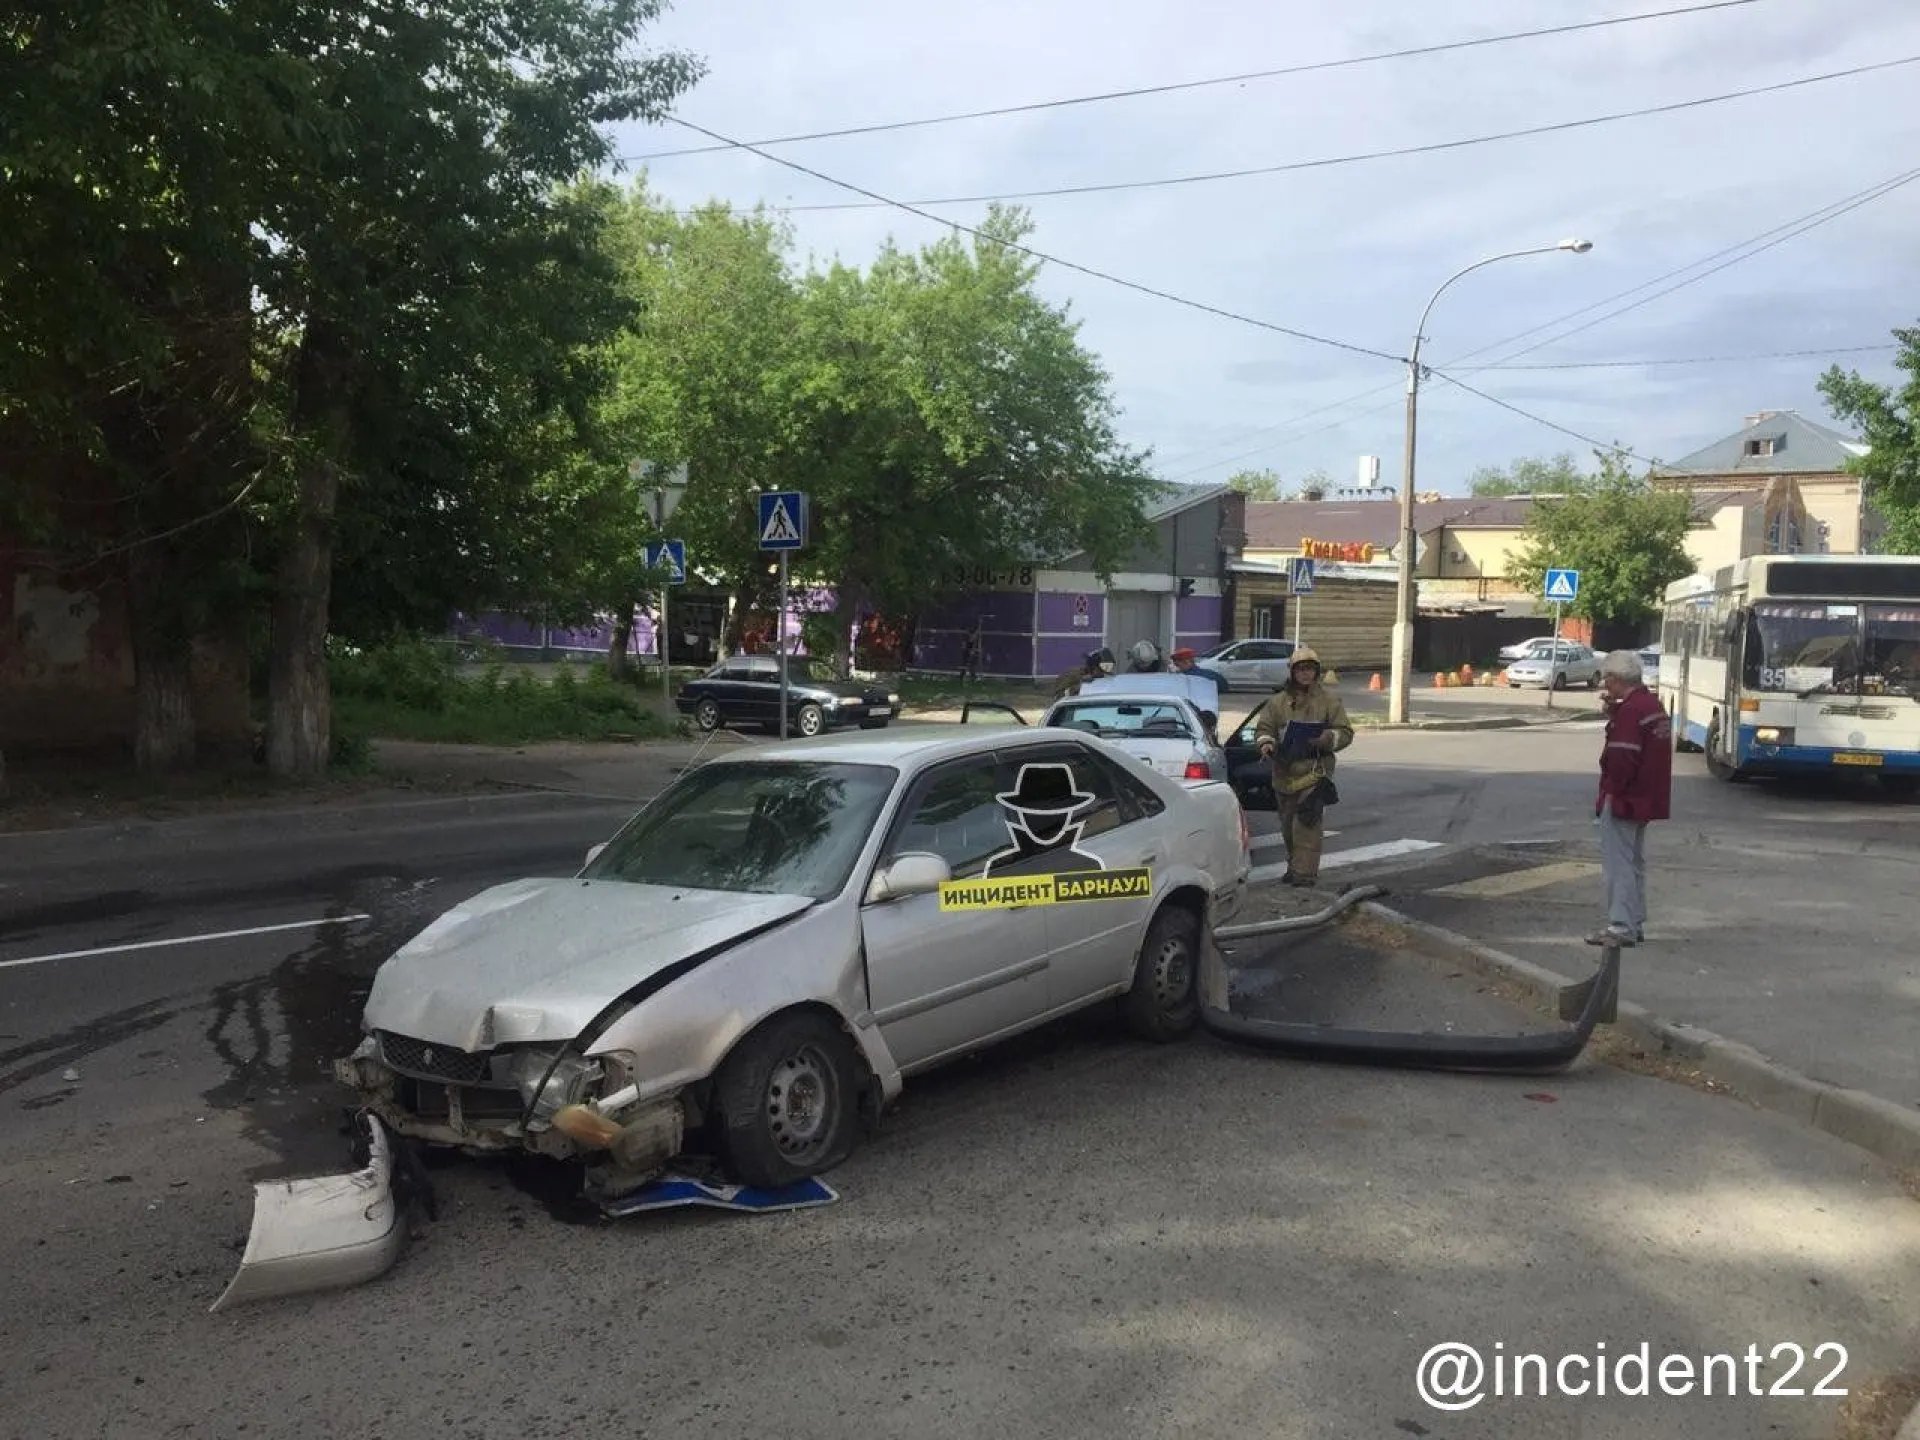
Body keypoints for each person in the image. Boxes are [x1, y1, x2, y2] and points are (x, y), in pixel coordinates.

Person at [1589, 647, 1673, 946]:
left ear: (1614, 678)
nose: (1604, 685)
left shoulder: (1632, 711)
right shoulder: (1651, 705)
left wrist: (1613, 792)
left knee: (1618, 864)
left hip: (1626, 797)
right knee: (1634, 862)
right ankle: (1634, 922)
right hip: (1647, 797)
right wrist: (1615, 712)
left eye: (1605, 679)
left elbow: (1623, 758)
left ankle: (1620, 926)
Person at [1252, 645, 1353, 887]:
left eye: (1310, 669)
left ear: (1317, 672)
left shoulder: (1330, 702)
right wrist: (1266, 744)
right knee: (1288, 829)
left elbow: (1345, 732)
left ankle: (1304, 876)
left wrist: (1327, 738)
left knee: (1306, 826)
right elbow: (1263, 729)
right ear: (1292, 672)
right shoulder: (1276, 703)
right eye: (1301, 669)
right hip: (1283, 774)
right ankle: (1294, 867)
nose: (1306, 674)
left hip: (1314, 774)